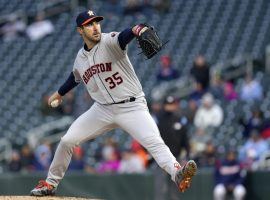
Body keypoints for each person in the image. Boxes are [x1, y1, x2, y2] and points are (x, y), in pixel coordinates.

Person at [30, 10, 197, 196]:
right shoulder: (80, 58)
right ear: (80, 30)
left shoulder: (109, 41)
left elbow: (125, 35)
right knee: (67, 141)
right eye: (89, 24)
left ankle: (178, 174)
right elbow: (75, 77)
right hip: (102, 109)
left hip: (131, 106)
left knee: (155, 143)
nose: (95, 27)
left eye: (97, 23)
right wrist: (58, 94)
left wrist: (138, 28)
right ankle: (50, 184)